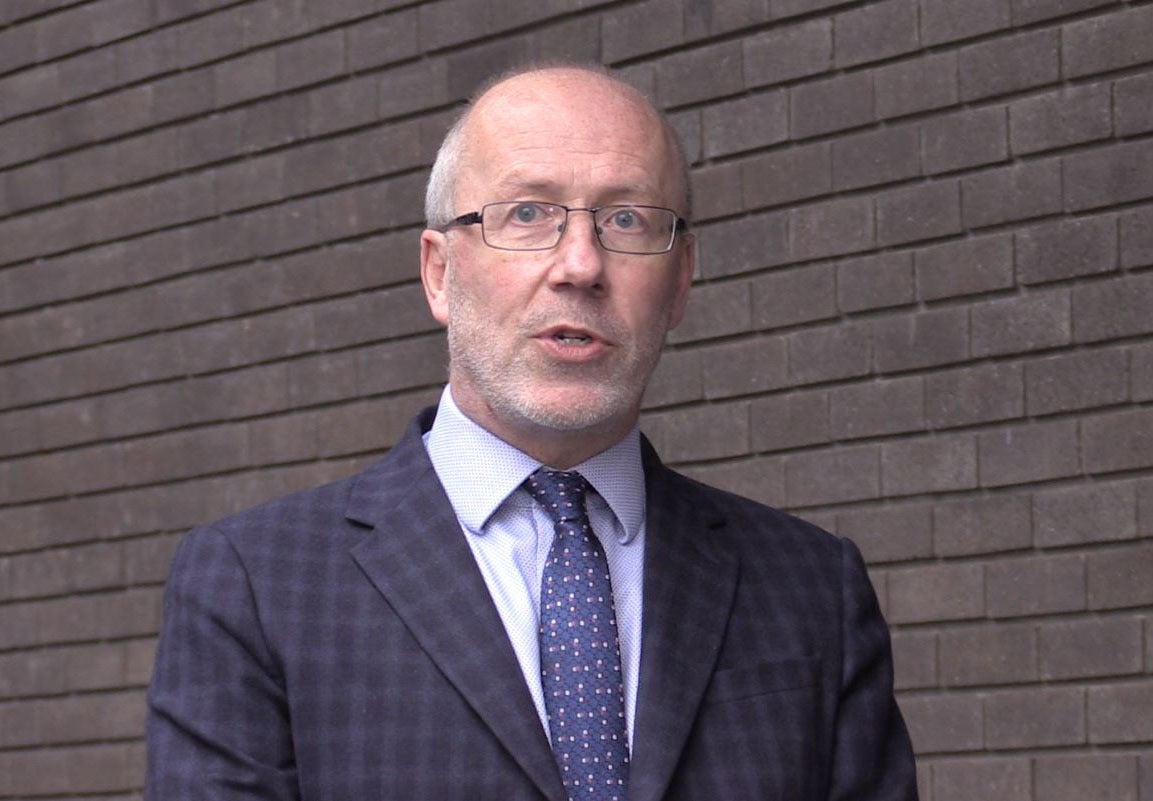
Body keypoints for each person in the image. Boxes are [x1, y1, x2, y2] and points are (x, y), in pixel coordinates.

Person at [146, 64, 918, 801]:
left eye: (625, 219)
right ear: (439, 273)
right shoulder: (257, 585)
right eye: (527, 214)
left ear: (679, 281)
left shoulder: (812, 586)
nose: (580, 264)